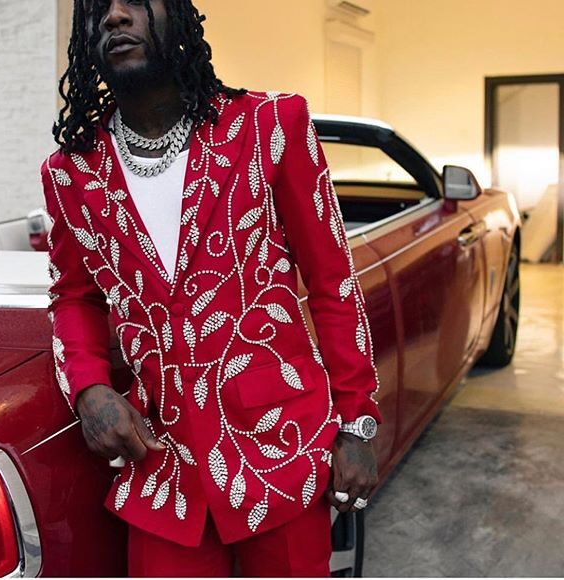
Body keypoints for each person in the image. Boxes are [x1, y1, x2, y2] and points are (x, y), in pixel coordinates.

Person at [41, 0, 383, 576]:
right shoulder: (71, 171)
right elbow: (73, 296)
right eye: (97, 8)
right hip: (162, 466)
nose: (114, 17)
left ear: (176, 14)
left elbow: (332, 283)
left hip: (282, 451)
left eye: (135, 1)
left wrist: (357, 424)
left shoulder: (270, 127)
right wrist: (89, 389)